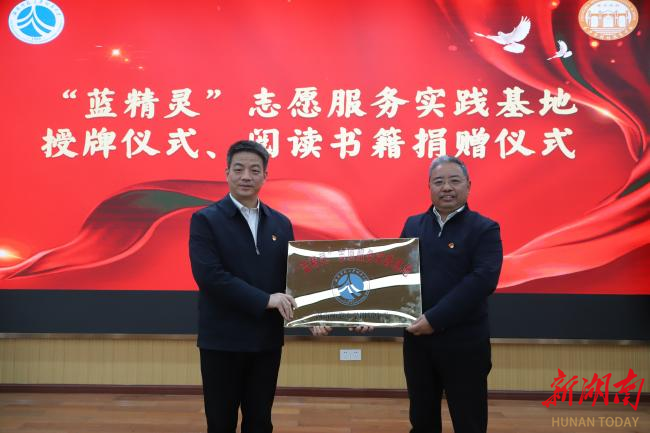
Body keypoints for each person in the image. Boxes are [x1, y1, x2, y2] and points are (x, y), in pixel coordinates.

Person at [189, 140, 296, 433]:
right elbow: (210, 277)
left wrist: (315, 315)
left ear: (265, 176)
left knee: (260, 421)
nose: (246, 176)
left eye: (254, 170)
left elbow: (293, 278)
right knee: (221, 422)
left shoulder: (281, 224)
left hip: (265, 340)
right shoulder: (205, 220)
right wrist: (266, 300)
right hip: (222, 340)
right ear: (227, 173)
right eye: (238, 169)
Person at [400, 155, 503, 433]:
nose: (446, 187)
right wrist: (371, 313)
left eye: (454, 181)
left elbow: (482, 281)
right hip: (418, 344)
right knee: (422, 420)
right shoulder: (413, 225)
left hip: (465, 344)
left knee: (469, 421)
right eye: (439, 182)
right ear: (429, 187)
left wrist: (434, 319)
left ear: (468, 185)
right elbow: (397, 277)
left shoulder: (485, 228)